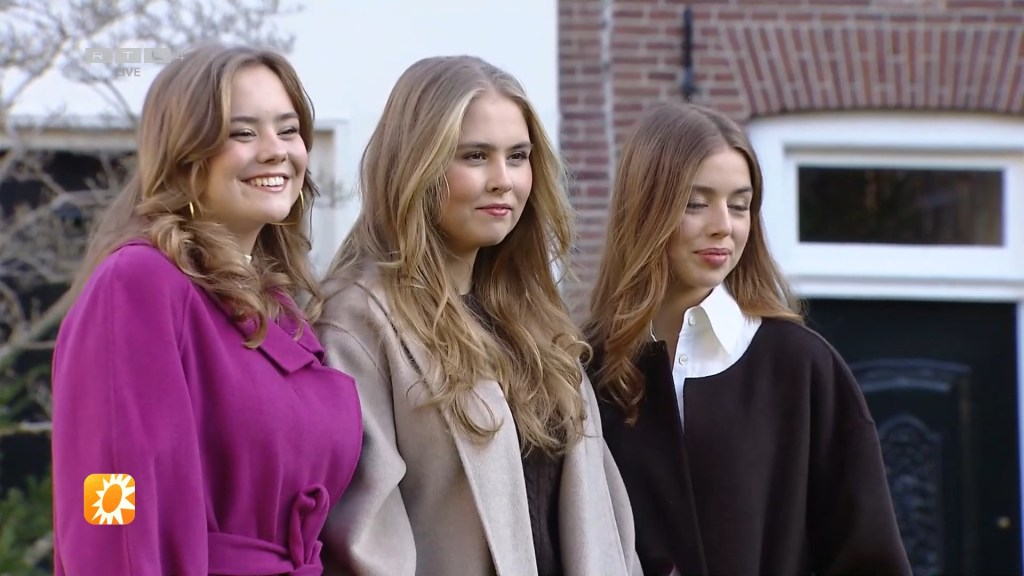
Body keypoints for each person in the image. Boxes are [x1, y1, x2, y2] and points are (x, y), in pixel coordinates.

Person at [311, 55, 640, 576]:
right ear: (416, 165)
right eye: (475, 156)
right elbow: (366, 540)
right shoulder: (359, 320)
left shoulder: (535, 317)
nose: (503, 180)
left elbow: (606, 518)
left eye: (518, 156)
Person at [50, 43, 362, 575]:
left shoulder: (279, 306)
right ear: (185, 155)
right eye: (243, 133)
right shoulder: (139, 282)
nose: (275, 151)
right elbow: (108, 489)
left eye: (288, 130)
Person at [582, 102, 912, 576]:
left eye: (739, 205)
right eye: (696, 203)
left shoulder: (801, 367)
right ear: (645, 209)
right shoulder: (584, 369)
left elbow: (870, 557)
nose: (724, 225)